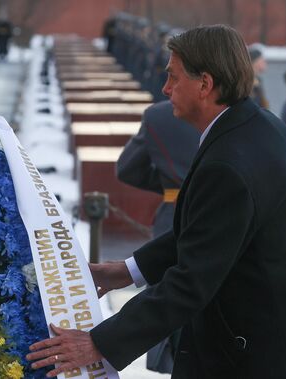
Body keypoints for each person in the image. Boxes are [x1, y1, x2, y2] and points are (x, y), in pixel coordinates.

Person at [27, 25, 286, 379]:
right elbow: (209, 234)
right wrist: (128, 271)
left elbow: (192, 280)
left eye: (173, 78)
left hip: (271, 354)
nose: (165, 89)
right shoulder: (258, 128)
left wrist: (99, 342)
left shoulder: (229, 162)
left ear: (205, 84)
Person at [116, 100, 200, 374]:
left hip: (173, 212)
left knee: (168, 296)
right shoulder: (238, 109)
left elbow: (128, 167)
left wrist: (169, 185)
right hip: (227, 212)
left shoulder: (158, 115)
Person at [248, 44, 269, 108]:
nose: (265, 63)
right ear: (255, 62)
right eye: (262, 60)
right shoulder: (247, 81)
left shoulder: (257, 80)